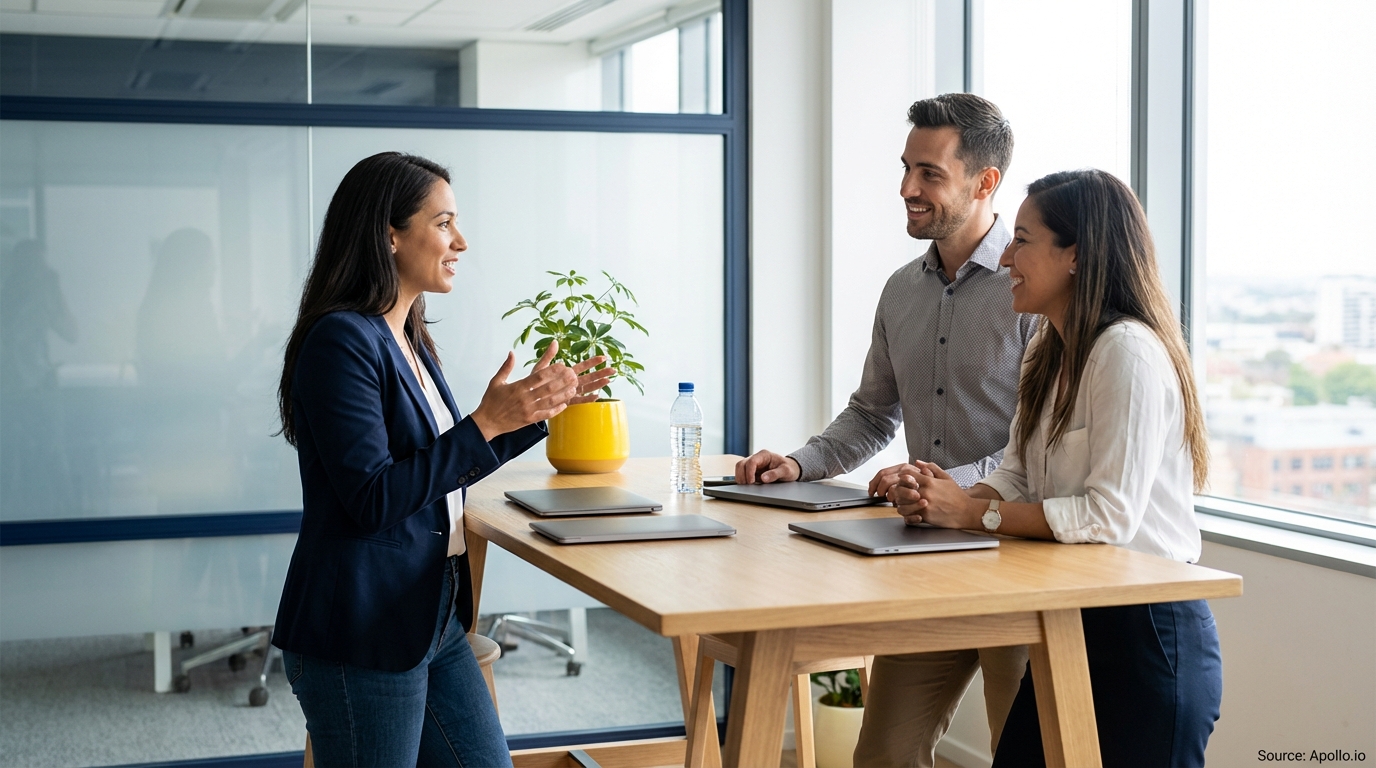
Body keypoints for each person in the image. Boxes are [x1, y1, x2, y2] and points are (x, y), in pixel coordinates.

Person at [270, 152, 613, 767]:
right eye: (444, 222)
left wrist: (530, 414)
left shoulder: (409, 336)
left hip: (430, 613)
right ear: (389, 234)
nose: (461, 240)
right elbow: (374, 498)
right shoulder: (341, 340)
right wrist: (486, 422)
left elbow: (438, 469)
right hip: (362, 627)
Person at [880, 169, 1222, 767]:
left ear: (1076, 256)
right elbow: (1017, 473)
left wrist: (974, 513)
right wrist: (945, 500)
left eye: (1022, 239)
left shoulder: (1127, 352)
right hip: (1072, 620)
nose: (1006, 255)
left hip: (1146, 634)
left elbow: (1107, 516)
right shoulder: (1051, 349)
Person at [734, 93, 1036, 768]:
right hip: (929, 561)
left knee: (1021, 757)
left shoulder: (1029, 290)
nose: (907, 188)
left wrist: (943, 486)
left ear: (986, 182)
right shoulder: (903, 289)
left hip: (1016, 559)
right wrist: (800, 462)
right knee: (883, 757)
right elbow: (874, 413)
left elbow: (1038, 447)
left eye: (929, 172)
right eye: (906, 169)